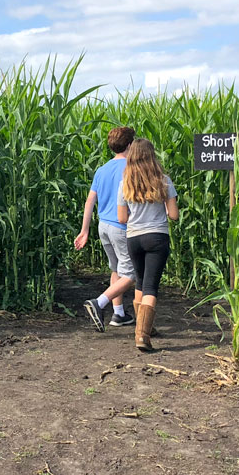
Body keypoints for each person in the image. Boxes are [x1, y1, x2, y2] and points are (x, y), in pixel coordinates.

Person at [116, 138, 179, 351]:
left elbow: (122, 218)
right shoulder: (164, 180)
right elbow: (174, 215)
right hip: (157, 237)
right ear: (152, 156)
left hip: (134, 238)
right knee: (151, 286)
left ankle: (145, 327)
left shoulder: (125, 183)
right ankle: (142, 335)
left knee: (141, 282)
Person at [74, 126, 136, 331]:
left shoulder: (102, 170)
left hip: (104, 226)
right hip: (122, 226)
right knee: (131, 274)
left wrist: (85, 230)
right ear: (129, 145)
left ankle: (119, 314)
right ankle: (99, 303)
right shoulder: (132, 168)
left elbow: (90, 201)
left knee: (116, 269)